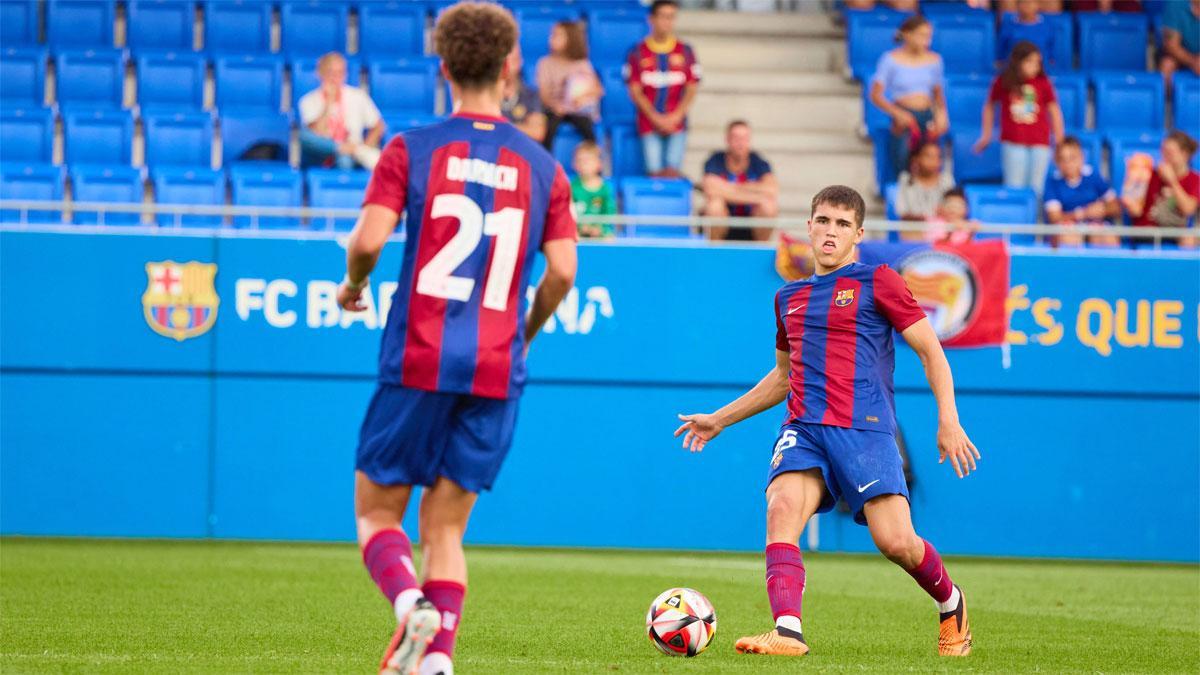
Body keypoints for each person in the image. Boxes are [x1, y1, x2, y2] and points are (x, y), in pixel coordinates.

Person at [335, 4, 579, 674]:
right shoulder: (543, 167)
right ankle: (437, 658)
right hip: (499, 366)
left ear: (442, 67)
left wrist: (353, 282)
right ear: (511, 69)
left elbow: (367, 239)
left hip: (418, 355)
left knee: (376, 516)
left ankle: (409, 601)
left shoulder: (410, 148)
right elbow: (562, 271)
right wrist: (523, 330)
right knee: (445, 528)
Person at [674, 184, 979, 659]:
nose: (831, 231)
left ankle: (951, 601)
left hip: (866, 430)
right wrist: (720, 419)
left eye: (842, 224)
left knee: (896, 542)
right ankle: (789, 631)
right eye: (824, 221)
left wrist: (949, 420)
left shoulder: (879, 281)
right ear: (809, 227)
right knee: (781, 506)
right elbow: (783, 378)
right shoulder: (788, 299)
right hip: (806, 429)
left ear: (858, 233)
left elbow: (930, 350)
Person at [974, 41, 1064, 200]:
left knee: (1037, 188)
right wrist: (986, 135)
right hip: (1013, 142)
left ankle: (1035, 222)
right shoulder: (1003, 81)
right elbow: (989, 106)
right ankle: (1015, 222)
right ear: (1018, 61)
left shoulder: (1043, 82)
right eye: (1030, 61)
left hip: (1040, 142)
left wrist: (1059, 139)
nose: (1035, 66)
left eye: (1037, 62)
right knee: (1014, 186)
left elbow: (1054, 110)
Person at [869, 15, 949, 186]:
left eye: (928, 36)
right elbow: (876, 95)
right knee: (902, 158)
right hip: (903, 116)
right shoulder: (890, 59)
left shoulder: (935, 60)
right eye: (921, 35)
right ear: (907, 34)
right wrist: (897, 114)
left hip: (926, 114)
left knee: (930, 158)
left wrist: (942, 115)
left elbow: (937, 94)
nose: (926, 40)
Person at [624, 0, 700, 177]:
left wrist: (676, 115)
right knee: (654, 172)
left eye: (671, 17)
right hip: (648, 123)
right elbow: (635, 90)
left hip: (677, 123)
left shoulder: (686, 51)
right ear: (651, 19)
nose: (667, 22)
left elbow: (691, 87)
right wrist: (655, 117)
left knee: (673, 171)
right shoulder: (636, 52)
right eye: (663, 17)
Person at [299, 52, 385, 170]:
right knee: (303, 136)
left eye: (340, 73)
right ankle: (344, 148)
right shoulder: (308, 100)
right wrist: (328, 103)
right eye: (331, 73)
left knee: (344, 159)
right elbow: (318, 133)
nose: (335, 78)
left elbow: (378, 126)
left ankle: (350, 151)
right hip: (320, 154)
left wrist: (365, 146)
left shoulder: (358, 96)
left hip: (351, 153)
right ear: (320, 73)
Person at [701, 119, 778, 242]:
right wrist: (756, 194)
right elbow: (710, 188)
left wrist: (727, 188)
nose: (740, 143)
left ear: (749, 140)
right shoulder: (716, 160)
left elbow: (771, 189)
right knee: (714, 205)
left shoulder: (758, 162)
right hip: (722, 223)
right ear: (727, 139)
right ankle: (715, 252)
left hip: (752, 223)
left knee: (768, 206)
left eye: (744, 138)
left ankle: (759, 253)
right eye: (736, 138)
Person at [1123, 130, 1199, 248]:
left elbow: (1188, 209)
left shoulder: (1194, 179)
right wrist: (1131, 183)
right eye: (1163, 151)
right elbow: (1135, 210)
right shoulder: (1149, 174)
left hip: (1174, 231)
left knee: (1189, 240)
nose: (1164, 157)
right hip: (1146, 230)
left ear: (1185, 154)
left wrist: (1172, 182)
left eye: (1170, 153)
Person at [536, 21, 603, 151]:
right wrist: (555, 106)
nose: (551, 38)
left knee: (586, 125)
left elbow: (598, 90)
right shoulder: (545, 63)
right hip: (554, 110)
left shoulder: (582, 64)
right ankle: (546, 162)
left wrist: (582, 99)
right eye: (552, 34)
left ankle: (593, 162)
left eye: (557, 35)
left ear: (571, 39)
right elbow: (543, 94)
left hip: (576, 110)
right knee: (549, 125)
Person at [1043, 136, 1121, 247]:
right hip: (1068, 229)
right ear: (1057, 162)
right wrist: (1082, 214)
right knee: (1069, 237)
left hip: (1094, 226)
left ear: (1081, 158)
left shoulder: (1093, 176)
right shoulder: (1053, 182)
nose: (1068, 164)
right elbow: (1054, 217)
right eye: (1063, 159)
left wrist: (1102, 210)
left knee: (1106, 236)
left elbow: (1116, 207)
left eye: (1072, 158)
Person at [895, 141, 955, 234]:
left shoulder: (947, 181)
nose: (933, 160)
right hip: (913, 231)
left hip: (941, 232)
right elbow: (902, 213)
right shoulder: (906, 180)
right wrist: (928, 218)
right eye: (929, 156)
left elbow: (953, 212)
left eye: (937, 157)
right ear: (917, 159)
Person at [571, 141, 618, 239]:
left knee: (610, 238)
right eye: (580, 160)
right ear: (574, 164)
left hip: (600, 233)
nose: (584, 164)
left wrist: (600, 229)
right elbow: (568, 214)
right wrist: (580, 227)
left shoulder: (605, 189)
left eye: (588, 160)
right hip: (577, 233)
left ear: (599, 164)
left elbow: (609, 214)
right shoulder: (571, 187)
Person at [501, 45, 546, 144]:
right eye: (503, 62)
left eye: (512, 61)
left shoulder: (530, 95)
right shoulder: (486, 95)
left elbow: (537, 132)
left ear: (520, 62)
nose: (507, 66)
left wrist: (502, 127)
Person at [997, 0, 1056, 68]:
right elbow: (1001, 49)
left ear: (1039, 5)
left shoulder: (1048, 25)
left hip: (1041, 69)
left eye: (1031, 2)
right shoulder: (1008, 25)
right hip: (1014, 69)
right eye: (1023, 2)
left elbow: (1051, 49)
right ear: (1017, 5)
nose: (1027, 5)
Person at [1160, 0, 1200, 89]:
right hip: (1182, 58)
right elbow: (1171, 46)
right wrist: (1193, 62)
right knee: (1167, 64)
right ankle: (1167, 102)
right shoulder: (1175, 3)